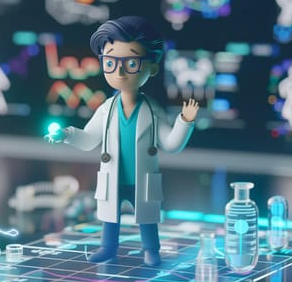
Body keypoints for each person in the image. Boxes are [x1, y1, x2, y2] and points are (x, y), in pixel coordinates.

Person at [45, 16, 199, 266]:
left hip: (142, 178)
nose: (119, 71)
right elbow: (88, 140)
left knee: (147, 218)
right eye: (110, 62)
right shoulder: (106, 109)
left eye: (131, 62)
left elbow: (171, 144)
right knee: (110, 217)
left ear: (152, 67)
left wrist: (185, 121)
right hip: (113, 177)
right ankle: (108, 247)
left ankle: (151, 249)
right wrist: (66, 135)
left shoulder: (153, 111)